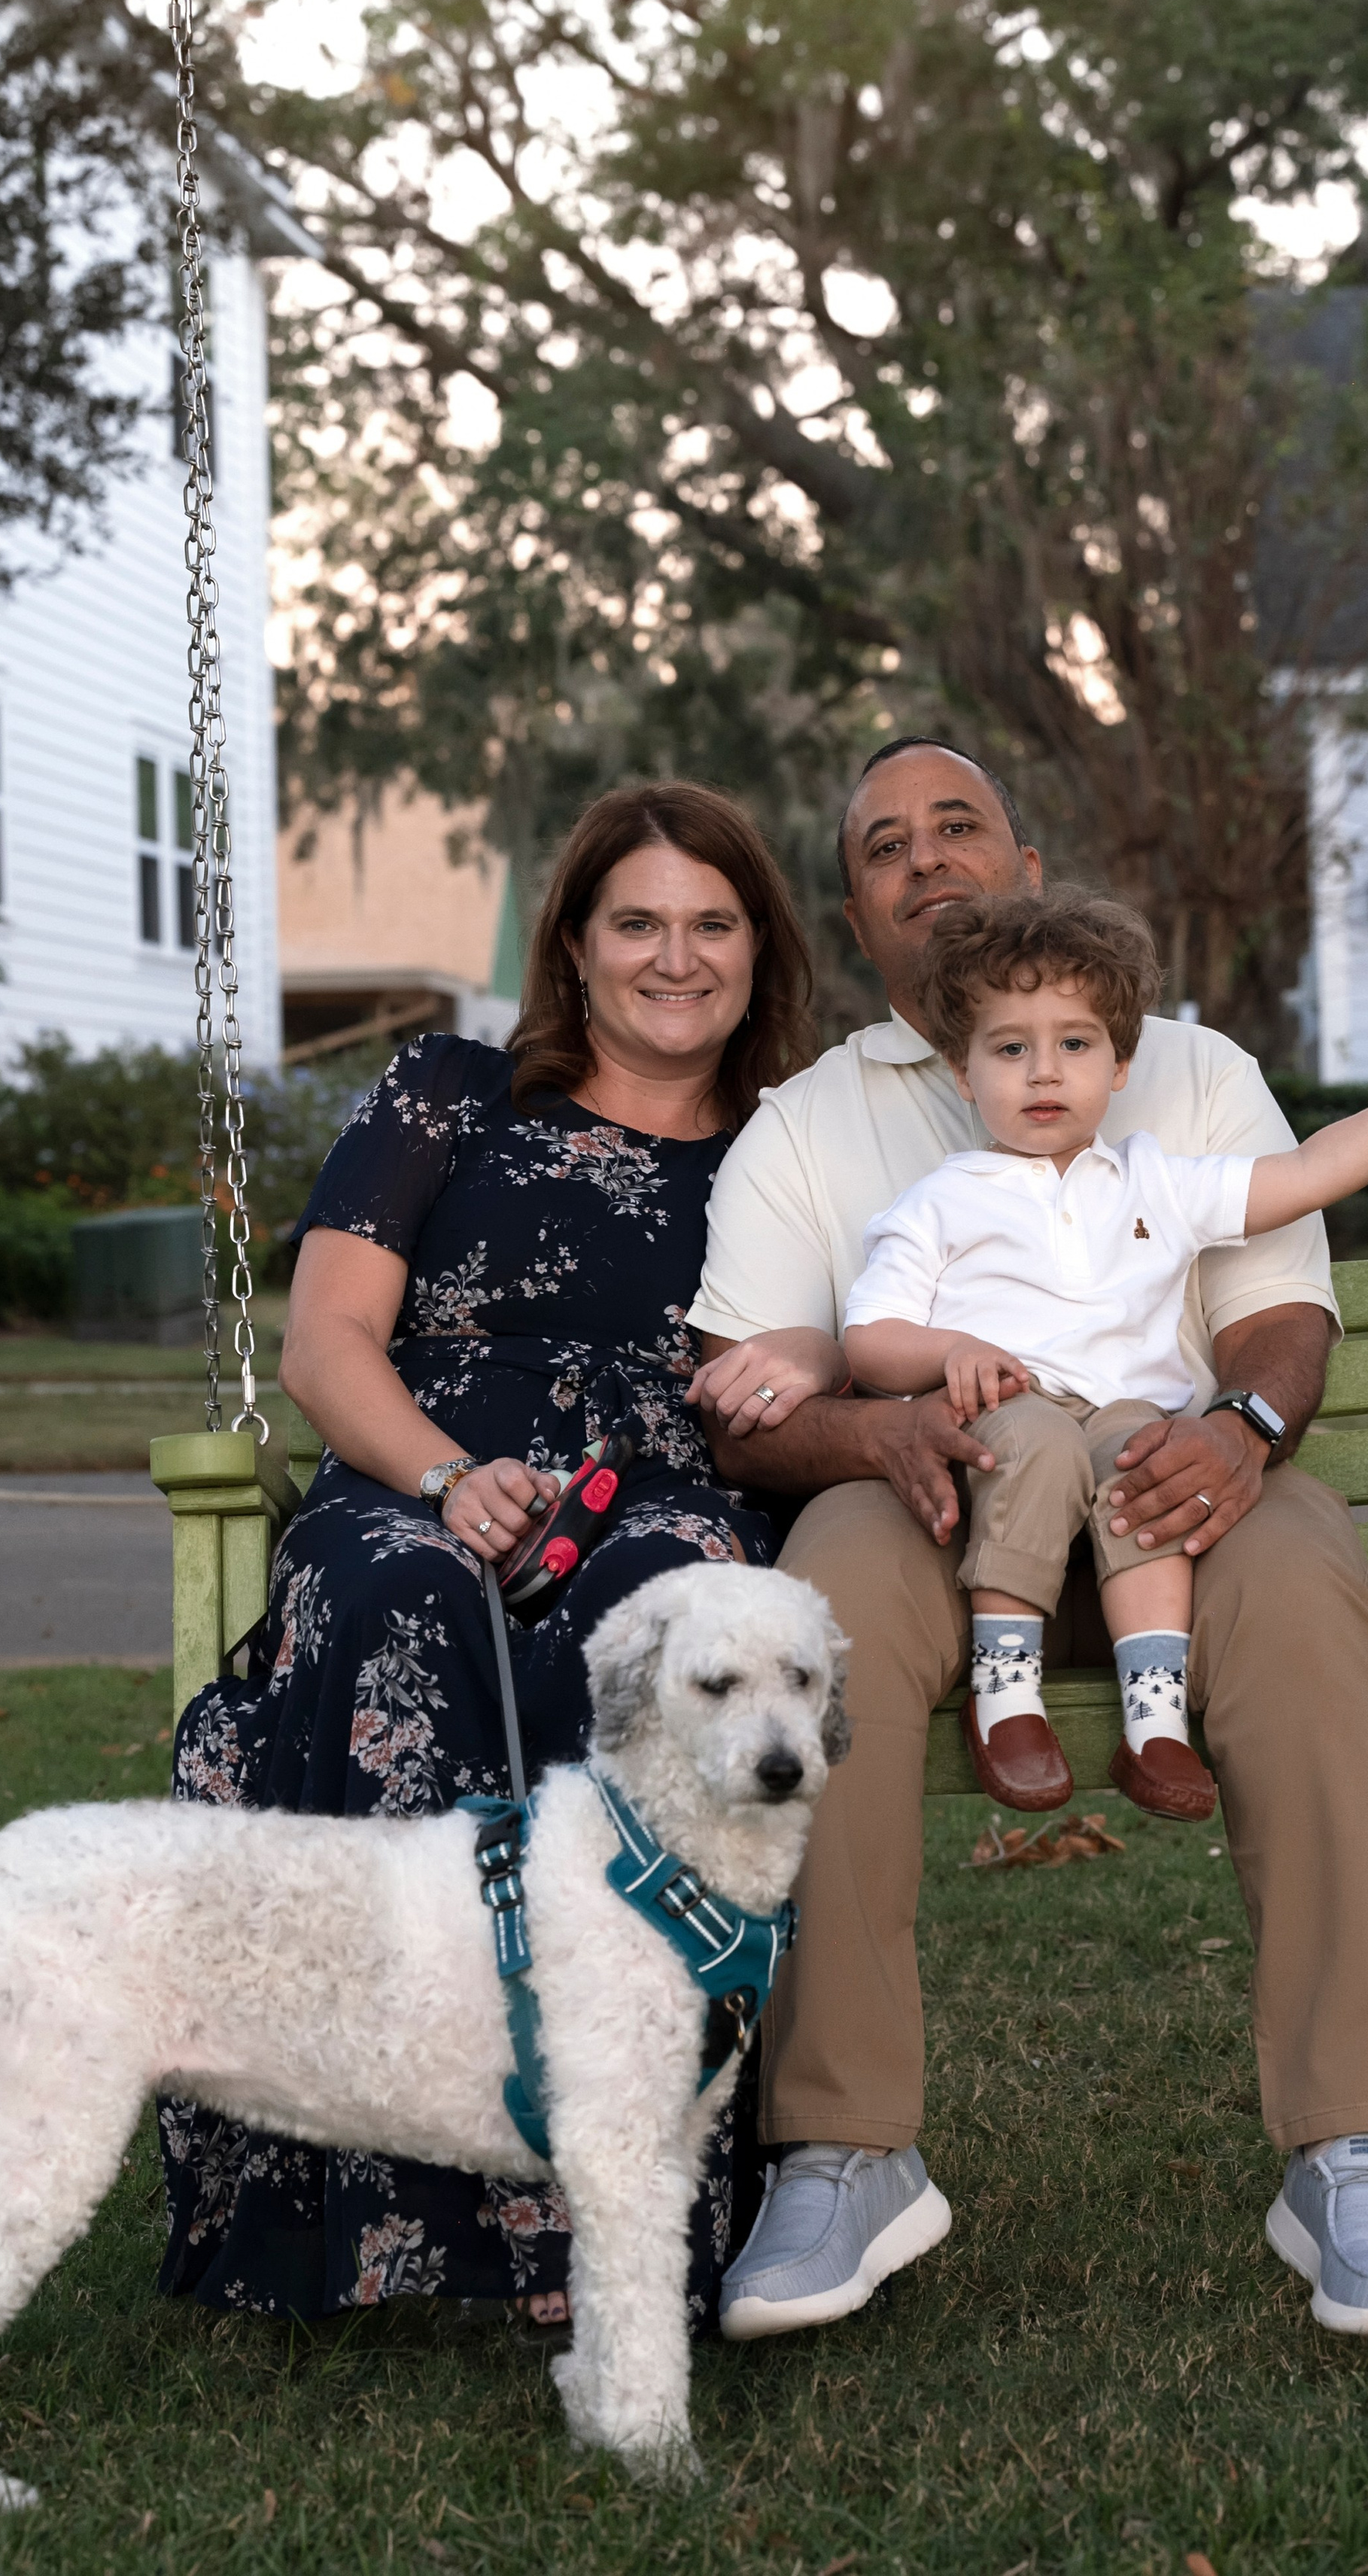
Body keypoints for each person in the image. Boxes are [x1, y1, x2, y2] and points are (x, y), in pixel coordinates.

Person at [686, 735, 1368, 2347]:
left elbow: (1283, 1314)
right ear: (855, 909)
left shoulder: (1179, 1070)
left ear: (1025, 868)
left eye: (955, 822)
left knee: (1306, 1583)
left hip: (1173, 1491)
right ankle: (841, 2145)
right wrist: (879, 1419)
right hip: (936, 1504)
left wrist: (1238, 1434)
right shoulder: (809, 1126)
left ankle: (1351, 2145)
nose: (923, 856)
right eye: (883, 842)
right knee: (814, 1588)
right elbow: (759, 1397)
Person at [159, 780, 814, 2333]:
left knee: (649, 1633)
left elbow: (845, 1330)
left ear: (756, 945)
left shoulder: (794, 1142)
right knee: (401, 1600)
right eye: (635, 922)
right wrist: (449, 1476)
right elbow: (324, 1341)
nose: (674, 956)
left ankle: (598, 2211)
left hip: (661, 1488)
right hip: (416, 1464)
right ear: (574, 946)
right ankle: (398, 2198)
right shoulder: (452, 1090)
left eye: (710, 923)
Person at [842, 885, 1368, 1830]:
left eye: (1073, 1043)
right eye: (1009, 1047)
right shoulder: (940, 1202)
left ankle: (1153, 1721)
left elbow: (1307, 1172)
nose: (1042, 1071)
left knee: (1145, 1458)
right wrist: (954, 1350)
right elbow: (870, 1337)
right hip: (1013, 1414)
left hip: (1124, 1419)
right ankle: (1007, 1702)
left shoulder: (1154, 1178)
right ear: (961, 1070)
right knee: (1036, 1438)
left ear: (1119, 1064)